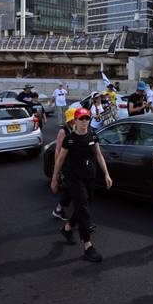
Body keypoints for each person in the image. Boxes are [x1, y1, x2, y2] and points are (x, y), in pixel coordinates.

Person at [51, 108, 112, 262]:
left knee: (84, 206)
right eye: (81, 118)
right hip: (74, 178)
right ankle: (87, 246)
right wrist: (54, 178)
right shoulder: (70, 139)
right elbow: (60, 160)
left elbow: (98, 155)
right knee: (83, 210)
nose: (84, 121)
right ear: (75, 121)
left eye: (87, 118)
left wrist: (106, 174)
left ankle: (67, 228)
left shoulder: (93, 135)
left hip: (90, 177)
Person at [51, 107, 77, 221]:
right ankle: (81, 218)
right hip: (67, 165)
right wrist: (57, 172)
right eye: (77, 118)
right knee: (74, 190)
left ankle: (59, 209)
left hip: (77, 164)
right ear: (71, 120)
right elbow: (58, 150)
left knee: (71, 190)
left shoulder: (79, 129)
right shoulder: (64, 131)